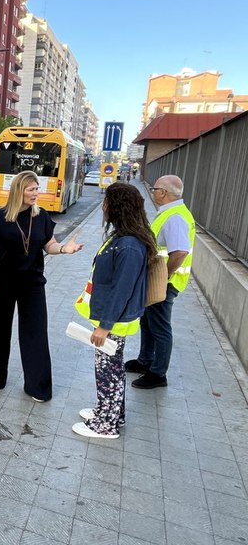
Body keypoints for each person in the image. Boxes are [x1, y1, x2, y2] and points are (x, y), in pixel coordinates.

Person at [0, 170, 83, 402]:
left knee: (35, 334)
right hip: (0, 284)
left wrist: (64, 249)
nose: (36, 193)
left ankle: (38, 388)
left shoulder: (42, 216)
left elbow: (49, 244)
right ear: (19, 190)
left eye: (37, 188)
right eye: (31, 189)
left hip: (32, 285)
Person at [72, 183, 158, 439]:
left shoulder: (129, 245)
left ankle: (106, 425)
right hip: (111, 318)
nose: (103, 207)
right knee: (112, 368)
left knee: (107, 371)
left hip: (114, 322)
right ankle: (110, 412)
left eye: (107, 202)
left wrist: (104, 326)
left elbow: (122, 289)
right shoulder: (124, 237)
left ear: (118, 207)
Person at [125, 175, 195, 389]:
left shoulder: (175, 217)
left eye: (155, 188)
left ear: (163, 192)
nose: (153, 191)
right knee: (148, 321)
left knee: (160, 326)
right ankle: (145, 360)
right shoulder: (170, 212)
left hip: (165, 283)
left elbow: (180, 252)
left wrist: (164, 277)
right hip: (158, 279)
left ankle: (158, 373)